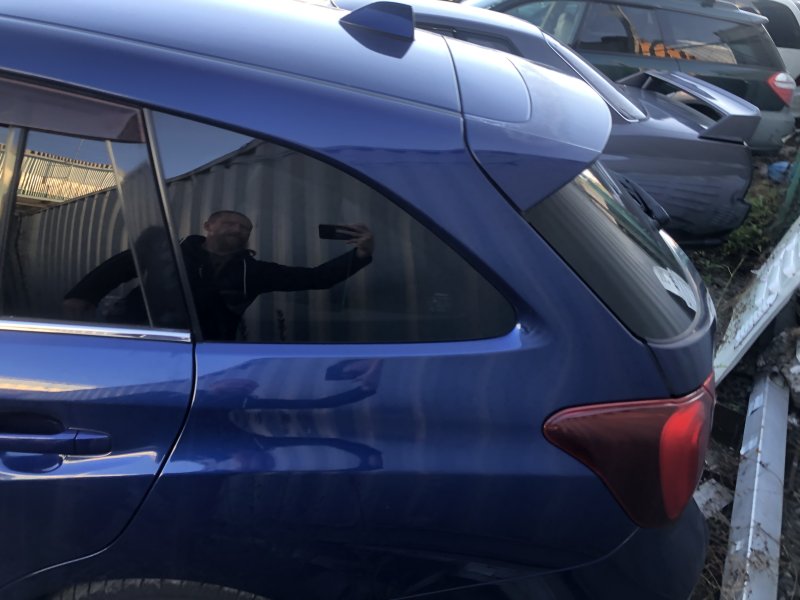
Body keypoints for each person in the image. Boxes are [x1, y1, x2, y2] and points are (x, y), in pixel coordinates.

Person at [63, 210, 374, 340]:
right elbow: (117, 268)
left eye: (244, 228)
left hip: (205, 353)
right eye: (229, 223)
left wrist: (361, 254)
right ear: (208, 226)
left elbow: (316, 278)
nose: (238, 230)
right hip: (144, 341)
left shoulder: (253, 271)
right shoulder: (170, 252)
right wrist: (82, 296)